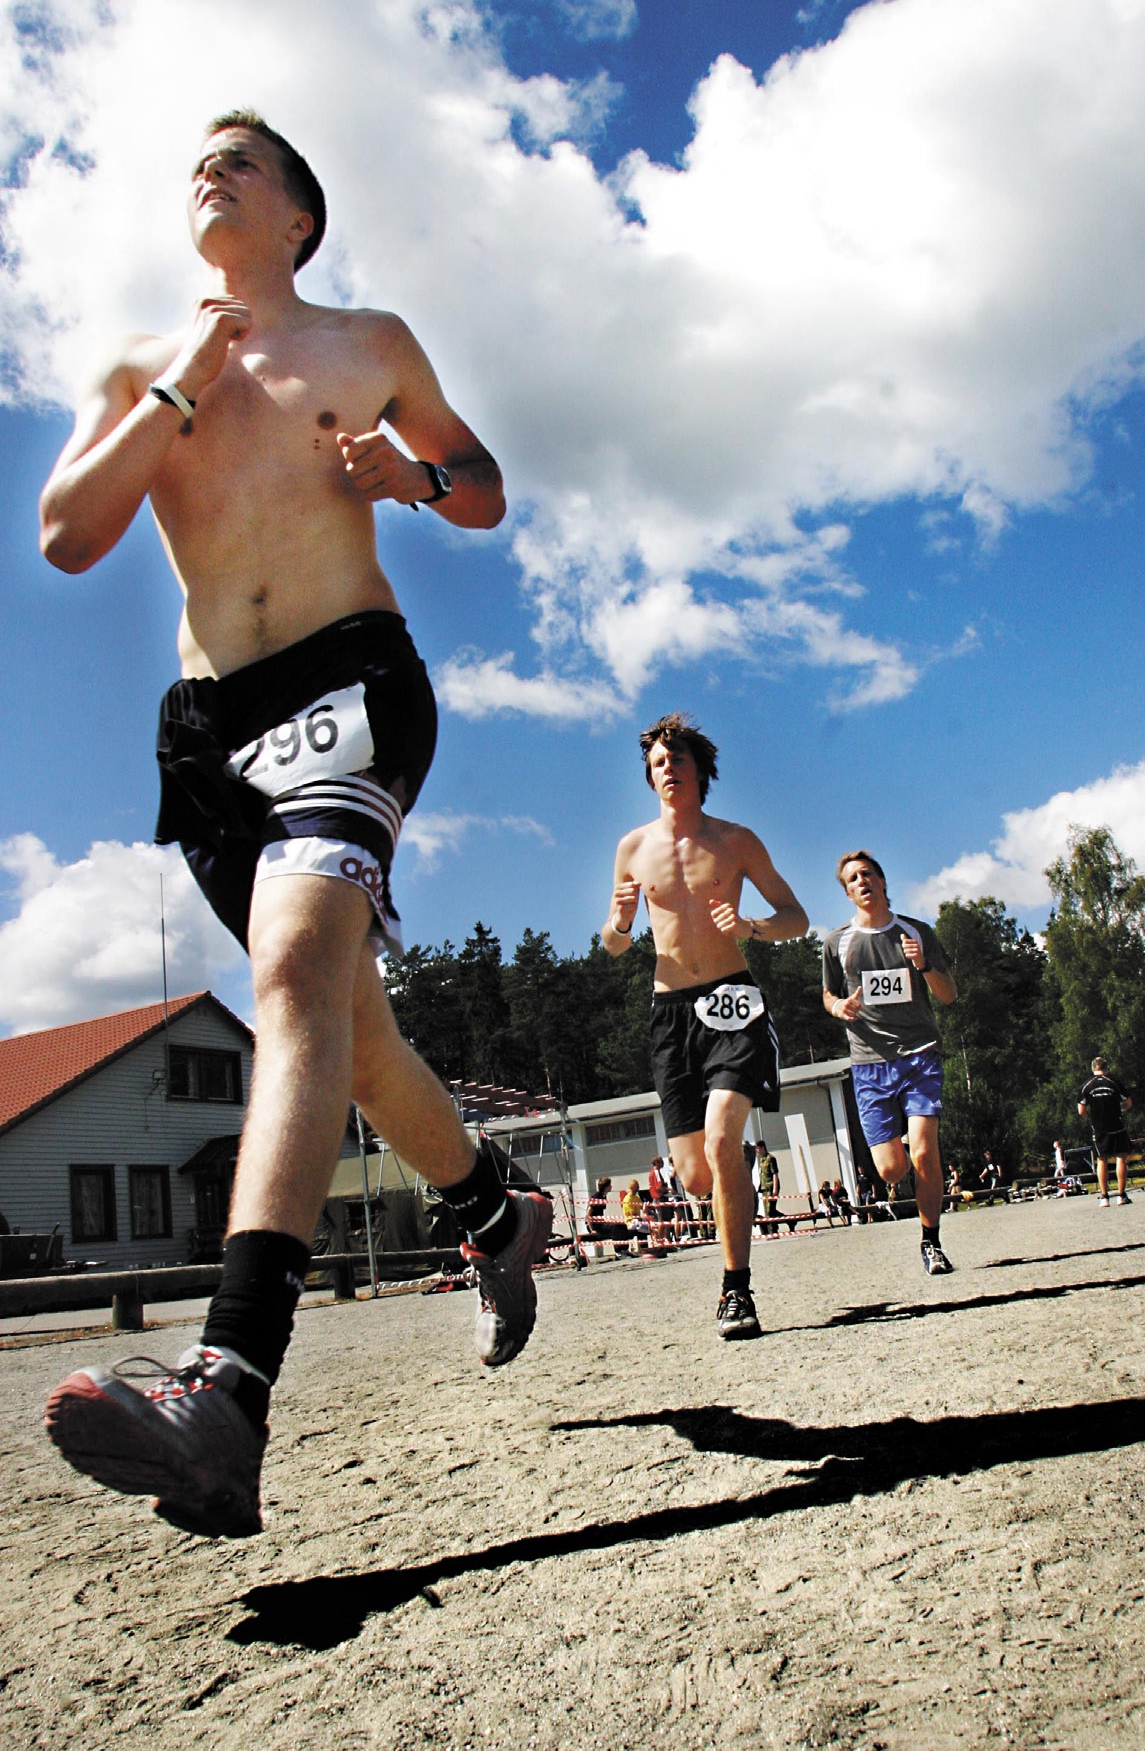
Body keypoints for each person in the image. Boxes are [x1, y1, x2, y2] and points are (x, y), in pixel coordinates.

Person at [39, 112, 552, 1539]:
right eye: (196, 157)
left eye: (243, 160)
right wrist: (183, 390)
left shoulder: (365, 342)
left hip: (350, 682)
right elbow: (67, 533)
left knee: (288, 986)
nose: (211, 169)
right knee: (352, 1031)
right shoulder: (145, 369)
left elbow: (486, 487)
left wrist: (414, 481)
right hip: (209, 737)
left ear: (298, 218)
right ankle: (492, 1210)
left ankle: (229, 1383)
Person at [601, 711, 808, 1338]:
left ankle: (736, 1291)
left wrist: (751, 928)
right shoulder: (632, 849)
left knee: (722, 1140)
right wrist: (619, 922)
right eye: (658, 763)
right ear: (650, 777)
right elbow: (612, 946)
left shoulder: (736, 840)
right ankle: (732, 1183)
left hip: (733, 1001)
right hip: (670, 1014)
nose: (668, 769)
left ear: (699, 770)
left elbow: (795, 917)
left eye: (678, 759)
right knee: (696, 1175)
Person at [822, 850, 957, 1275]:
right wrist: (838, 1006)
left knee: (924, 1153)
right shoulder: (836, 942)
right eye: (852, 880)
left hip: (919, 1055)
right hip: (868, 1064)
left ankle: (931, 1241)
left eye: (867, 874)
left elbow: (949, 994)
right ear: (847, 893)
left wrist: (924, 965)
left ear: (882, 881)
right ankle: (898, 1150)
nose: (861, 882)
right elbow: (827, 996)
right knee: (892, 1170)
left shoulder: (917, 932)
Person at [1077, 1057, 1133, 1206]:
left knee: (1102, 1159)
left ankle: (1104, 1196)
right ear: (1107, 1068)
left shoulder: (1086, 1087)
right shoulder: (1114, 1082)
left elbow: (1081, 1110)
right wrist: (1122, 1110)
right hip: (1117, 1124)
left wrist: (1090, 1119)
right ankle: (1121, 1195)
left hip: (1099, 1126)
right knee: (1120, 1156)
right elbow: (1128, 1102)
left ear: (1092, 1068)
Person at [753, 1139, 782, 1232]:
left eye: (757, 1149)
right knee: (770, 1210)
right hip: (764, 1188)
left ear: (762, 1148)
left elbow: (775, 1174)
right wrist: (760, 1187)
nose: (756, 1151)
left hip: (771, 1187)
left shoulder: (771, 1158)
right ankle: (789, 1220)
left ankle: (774, 1230)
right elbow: (762, 1174)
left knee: (770, 1210)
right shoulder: (762, 1160)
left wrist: (775, 1189)